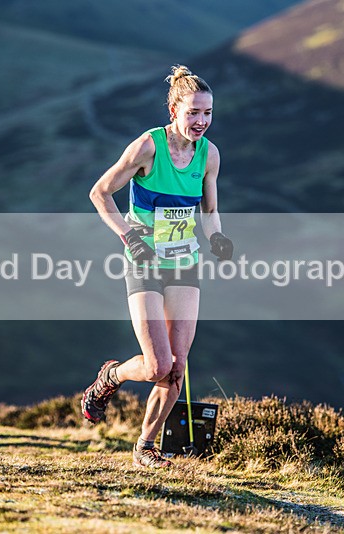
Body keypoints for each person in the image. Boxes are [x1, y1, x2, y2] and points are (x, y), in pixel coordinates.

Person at [82, 65, 234, 468]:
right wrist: (130, 237)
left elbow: (210, 210)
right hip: (144, 259)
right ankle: (111, 377)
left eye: (208, 113)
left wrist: (217, 237)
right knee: (155, 366)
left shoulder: (210, 154)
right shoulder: (148, 147)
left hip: (184, 261)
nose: (201, 121)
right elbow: (99, 194)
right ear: (173, 111)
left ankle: (146, 447)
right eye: (193, 113)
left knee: (177, 368)